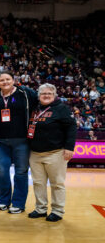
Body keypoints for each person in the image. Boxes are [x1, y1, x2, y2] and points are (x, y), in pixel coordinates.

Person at [0, 71, 38, 214]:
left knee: (21, 172)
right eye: (2, 80)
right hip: (1, 141)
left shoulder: (25, 93)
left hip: (22, 141)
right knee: (2, 171)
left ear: (13, 80)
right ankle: (4, 201)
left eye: (8, 79)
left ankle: (18, 203)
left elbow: (40, 104)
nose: (5, 82)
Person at [27, 83, 76, 222]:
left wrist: (69, 148)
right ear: (39, 95)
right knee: (38, 183)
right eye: (43, 93)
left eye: (49, 93)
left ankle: (57, 210)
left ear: (54, 95)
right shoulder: (35, 108)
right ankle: (41, 209)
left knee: (57, 183)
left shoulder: (61, 109)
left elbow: (72, 127)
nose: (46, 95)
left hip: (55, 153)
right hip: (35, 153)